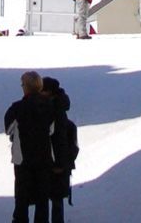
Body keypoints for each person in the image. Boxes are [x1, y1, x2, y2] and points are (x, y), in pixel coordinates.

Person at [3, 70, 57, 223]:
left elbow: (8, 129)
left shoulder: (17, 107)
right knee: (42, 200)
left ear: (26, 87)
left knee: (22, 199)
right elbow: (51, 130)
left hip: (23, 159)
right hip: (44, 158)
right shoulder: (49, 106)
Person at [41, 77, 77, 222]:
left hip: (56, 163)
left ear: (49, 92)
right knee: (56, 200)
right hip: (59, 163)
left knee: (51, 200)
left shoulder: (55, 113)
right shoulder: (59, 109)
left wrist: (59, 164)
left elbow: (60, 140)